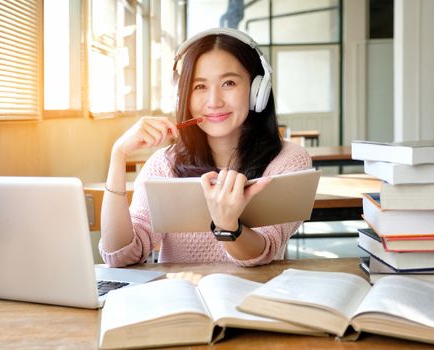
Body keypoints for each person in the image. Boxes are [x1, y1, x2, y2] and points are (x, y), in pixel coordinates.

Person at [99, 28, 312, 267]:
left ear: (257, 90)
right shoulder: (164, 165)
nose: (214, 102)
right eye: (200, 86)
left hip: (255, 300)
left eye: (229, 83)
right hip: (181, 302)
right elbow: (120, 255)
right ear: (183, 97)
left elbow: (265, 250)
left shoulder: (289, 161)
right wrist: (118, 155)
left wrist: (228, 226)